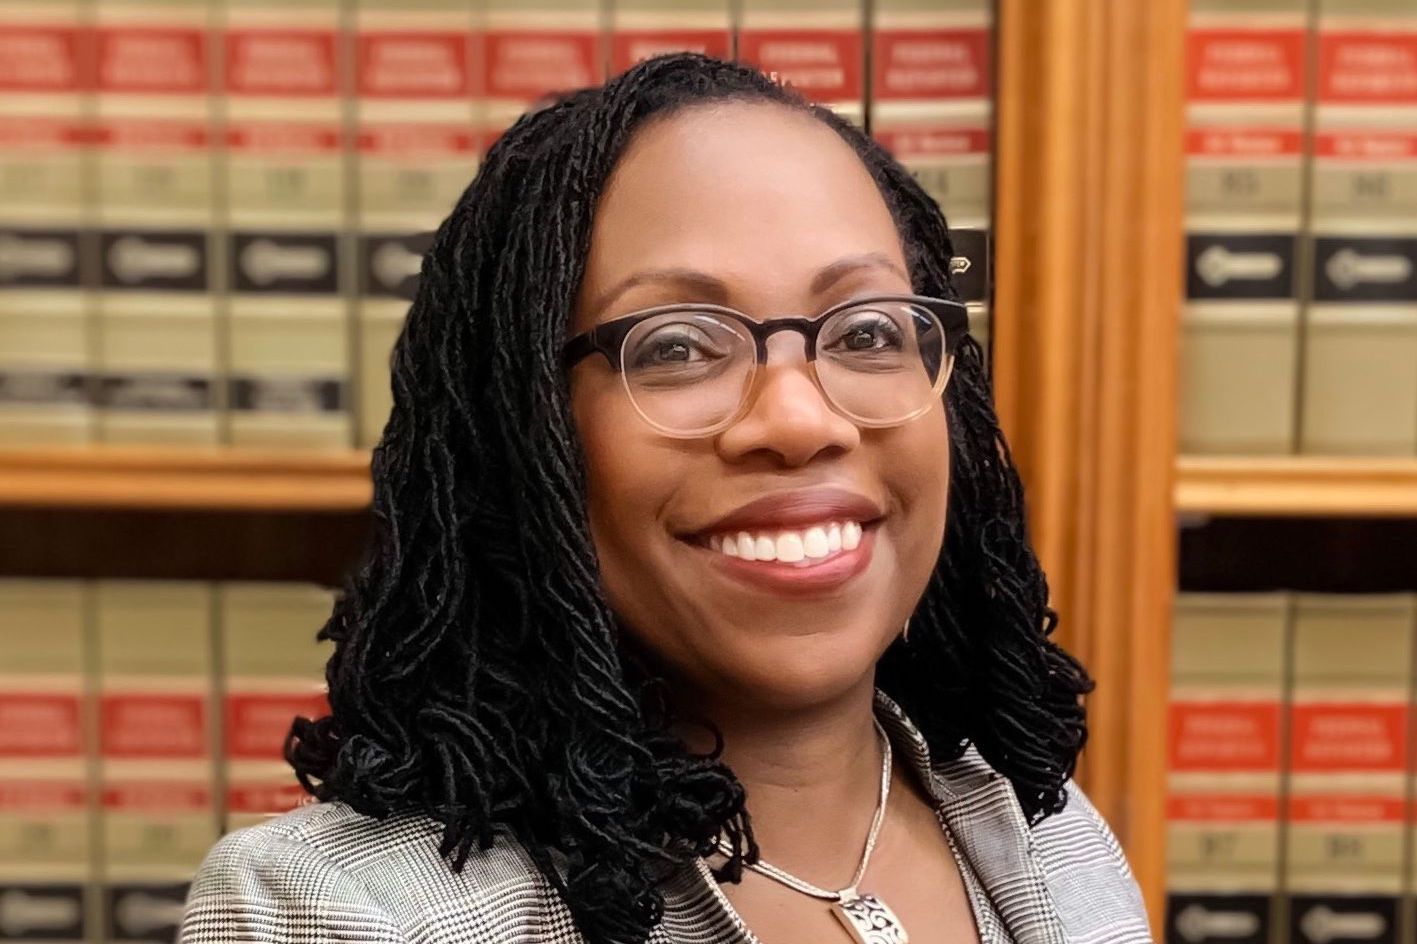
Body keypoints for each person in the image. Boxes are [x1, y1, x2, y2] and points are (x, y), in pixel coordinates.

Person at [179, 53, 1151, 944]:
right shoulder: (348, 912)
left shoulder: (1048, 834)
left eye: (865, 333)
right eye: (678, 346)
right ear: (520, 428)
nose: (798, 419)